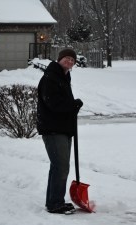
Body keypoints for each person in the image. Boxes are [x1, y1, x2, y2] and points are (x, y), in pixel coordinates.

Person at [37, 48, 83, 214]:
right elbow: (53, 103)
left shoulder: (63, 78)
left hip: (62, 129)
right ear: (60, 59)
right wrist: (72, 105)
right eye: (67, 58)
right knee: (61, 166)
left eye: (72, 60)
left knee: (58, 166)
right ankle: (55, 203)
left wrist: (73, 107)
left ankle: (54, 201)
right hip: (53, 129)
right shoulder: (50, 78)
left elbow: (64, 104)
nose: (69, 62)